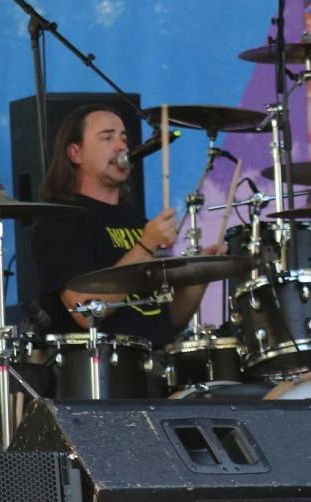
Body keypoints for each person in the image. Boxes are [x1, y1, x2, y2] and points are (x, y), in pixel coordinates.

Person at [28, 103, 207, 352]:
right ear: (75, 153)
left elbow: (167, 321)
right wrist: (146, 246)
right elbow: (86, 311)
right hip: (102, 375)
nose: (121, 146)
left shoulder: (138, 223)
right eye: (107, 137)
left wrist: (202, 276)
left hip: (155, 369)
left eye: (123, 138)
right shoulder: (60, 221)